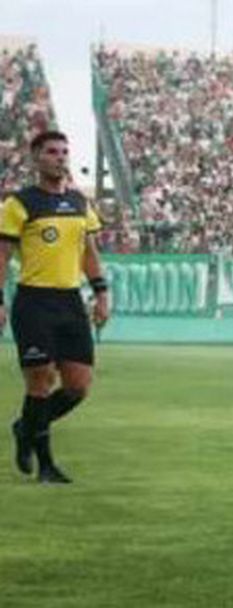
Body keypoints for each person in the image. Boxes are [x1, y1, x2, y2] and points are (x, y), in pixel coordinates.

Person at [0, 130, 109, 484]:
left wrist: (101, 293)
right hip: (34, 302)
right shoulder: (19, 204)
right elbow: (1, 257)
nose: (60, 157)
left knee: (78, 386)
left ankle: (25, 426)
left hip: (70, 301)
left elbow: (89, 254)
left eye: (64, 151)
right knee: (41, 382)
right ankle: (46, 466)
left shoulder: (80, 203)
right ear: (36, 158)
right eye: (52, 151)